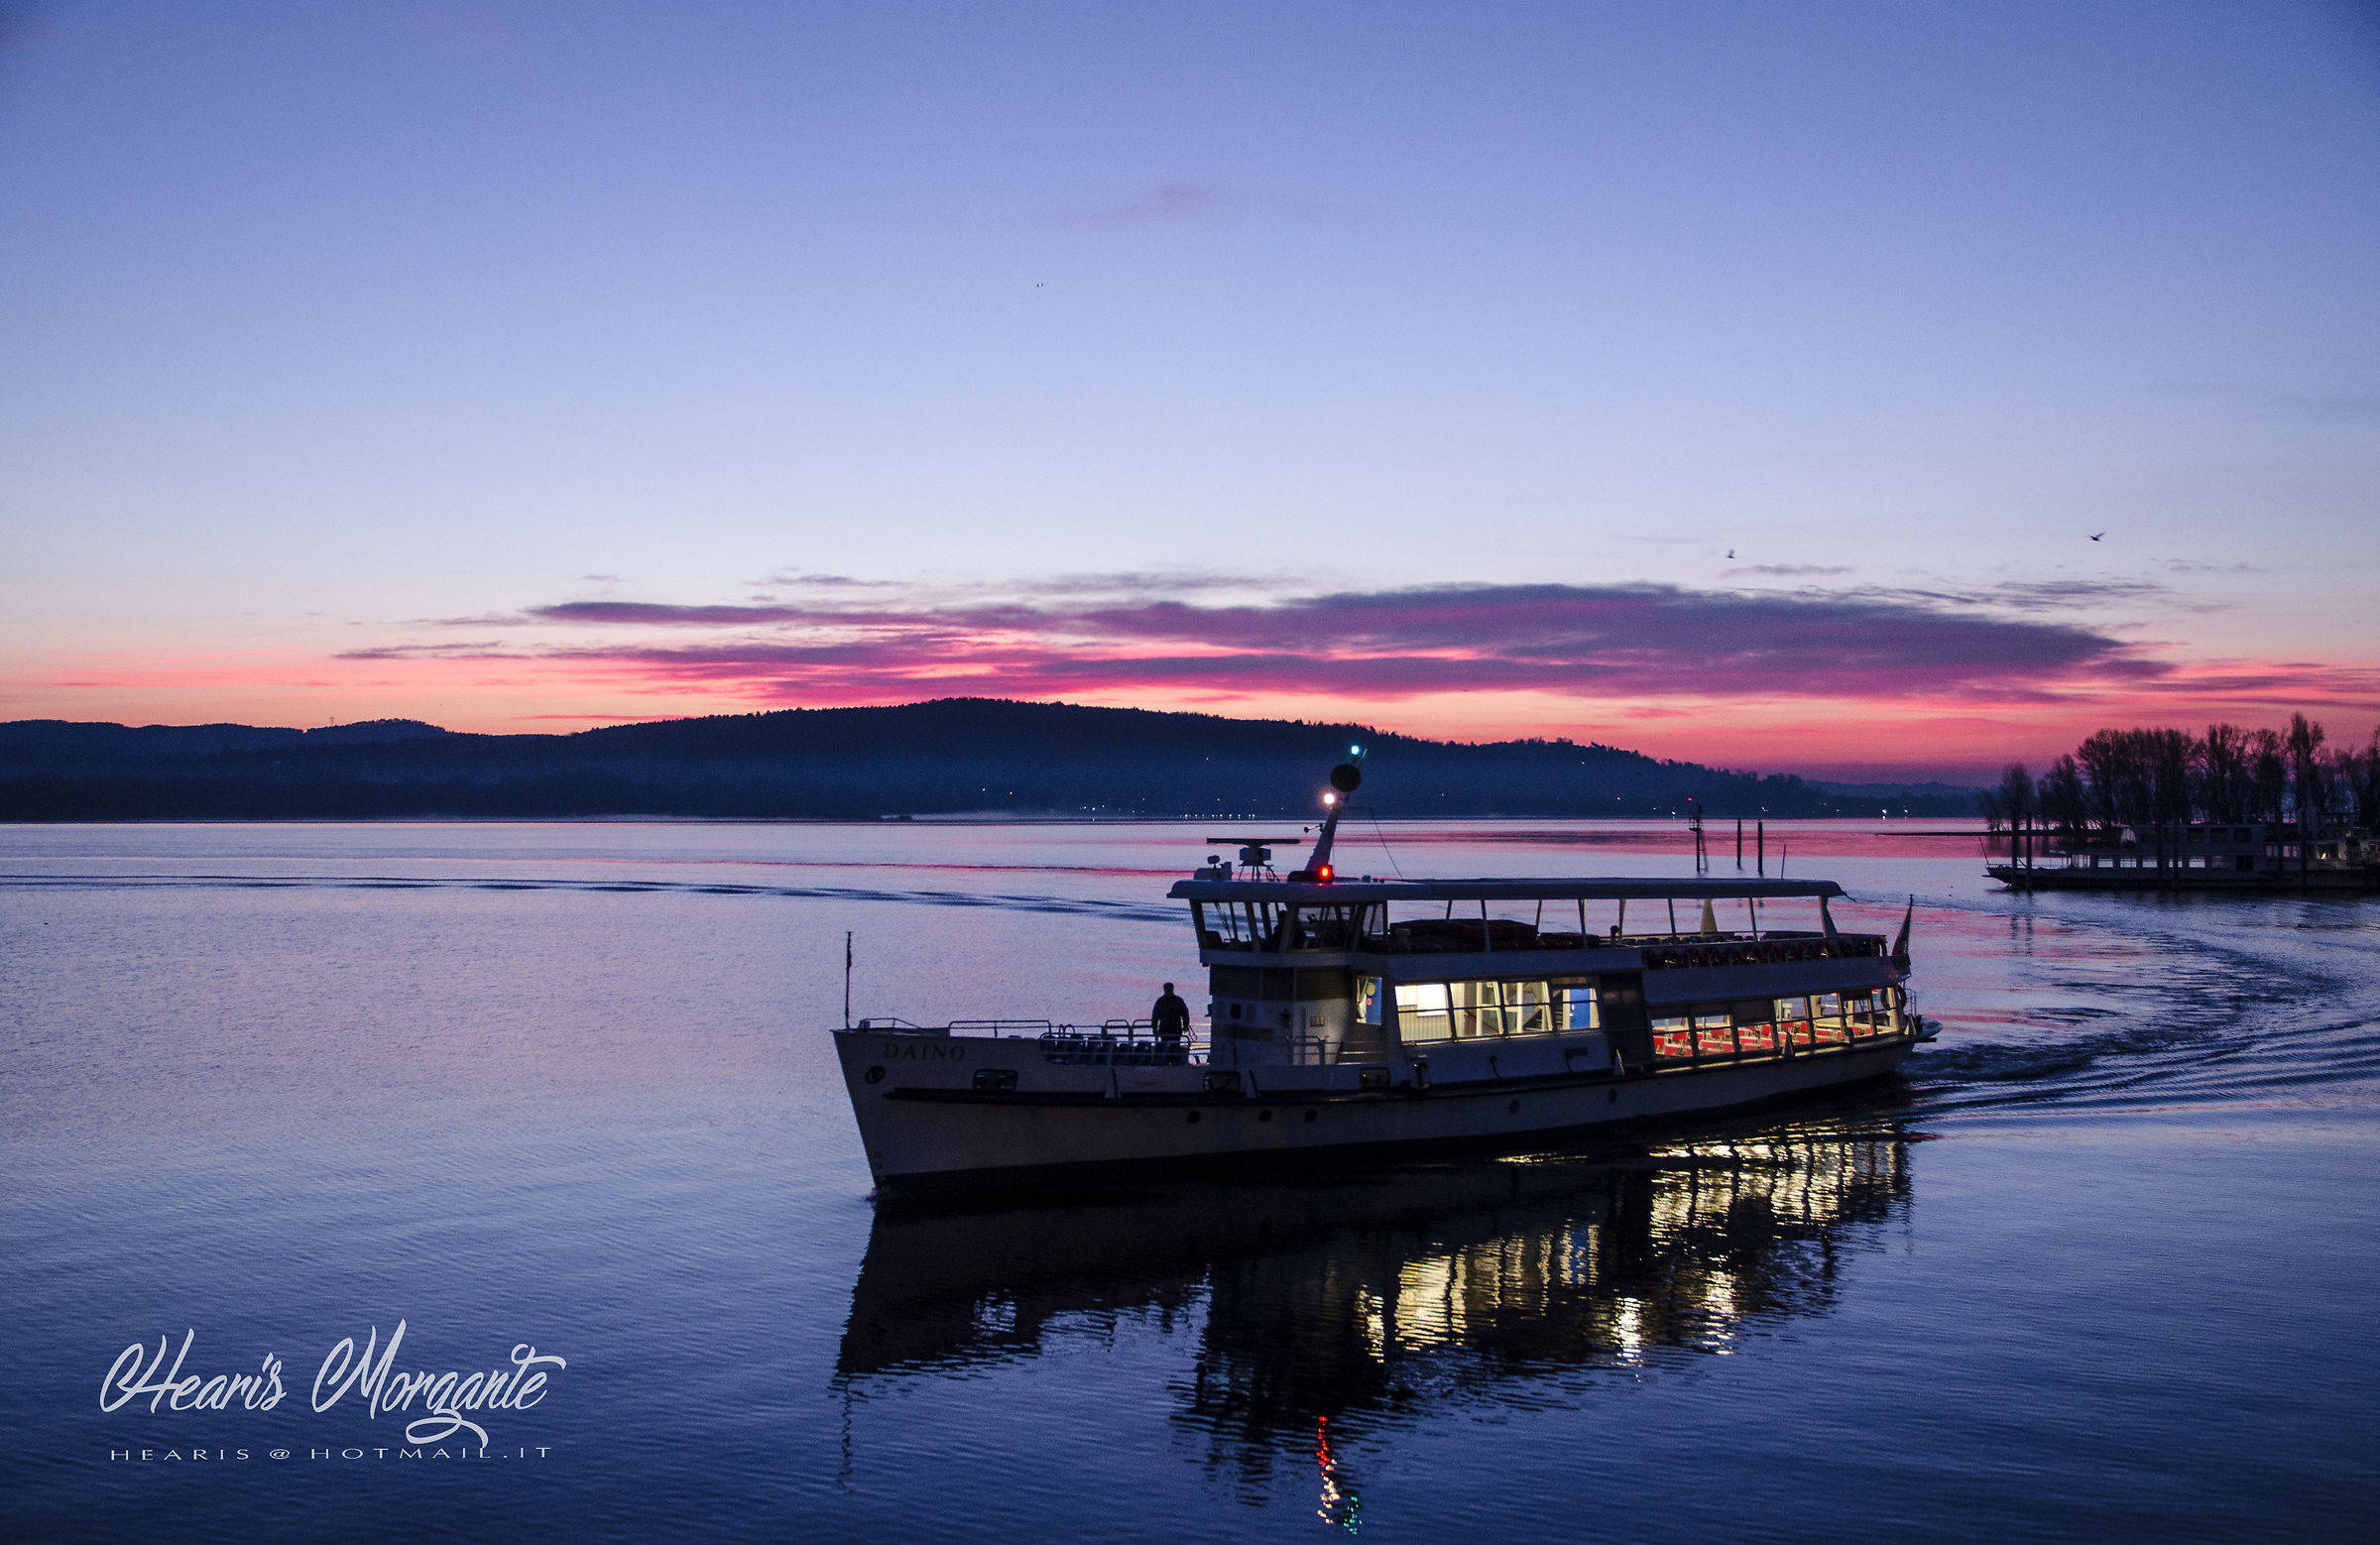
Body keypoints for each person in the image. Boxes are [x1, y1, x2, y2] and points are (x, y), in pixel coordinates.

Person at [1151, 982, 1191, 1053]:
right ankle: (1169, 1058)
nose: (1168, 990)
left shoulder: (1176, 1001)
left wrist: (1186, 1025)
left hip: (1175, 1028)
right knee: (1166, 1047)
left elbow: (1185, 1013)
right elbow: (1155, 1015)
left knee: (1174, 1046)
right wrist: (1154, 1027)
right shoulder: (1161, 1001)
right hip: (1165, 1028)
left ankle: (1172, 1058)